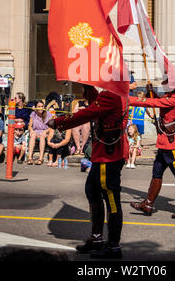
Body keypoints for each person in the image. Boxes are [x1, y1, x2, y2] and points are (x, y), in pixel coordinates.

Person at [48, 84, 129, 259]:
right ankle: (97, 238)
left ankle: (113, 246)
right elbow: (95, 104)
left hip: (109, 155)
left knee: (111, 199)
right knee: (91, 190)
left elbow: (87, 113)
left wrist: (59, 122)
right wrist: (88, 88)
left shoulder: (110, 95)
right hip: (106, 151)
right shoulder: (113, 92)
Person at [129, 80, 175, 219]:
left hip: (173, 144)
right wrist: (150, 92)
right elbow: (157, 100)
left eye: (166, 84)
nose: (164, 86)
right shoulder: (168, 97)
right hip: (165, 142)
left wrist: (127, 99)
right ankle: (148, 203)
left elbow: (153, 103)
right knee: (157, 172)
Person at [27, 100, 52, 165]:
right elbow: (29, 126)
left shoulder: (48, 114)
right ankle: (30, 158)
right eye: (39, 106)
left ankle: (40, 158)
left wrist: (45, 132)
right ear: (36, 107)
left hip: (45, 132)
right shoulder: (33, 114)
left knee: (42, 136)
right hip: (36, 131)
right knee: (33, 135)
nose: (41, 108)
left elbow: (51, 127)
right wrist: (31, 130)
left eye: (42, 106)